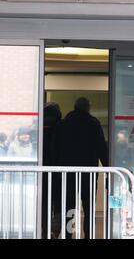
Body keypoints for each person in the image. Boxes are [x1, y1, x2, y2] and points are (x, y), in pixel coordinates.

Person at [52, 97, 108, 239]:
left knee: (69, 207)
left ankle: (68, 234)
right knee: (89, 208)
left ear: (74, 107)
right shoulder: (93, 124)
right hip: (88, 175)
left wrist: (55, 171)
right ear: (88, 108)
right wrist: (108, 168)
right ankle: (88, 235)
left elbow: (55, 150)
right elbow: (102, 148)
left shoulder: (62, 124)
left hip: (67, 174)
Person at [42, 102, 62, 238]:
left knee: (44, 202)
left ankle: (44, 229)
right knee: (58, 202)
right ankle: (56, 231)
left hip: (41, 173)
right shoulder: (62, 126)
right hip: (59, 172)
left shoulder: (38, 125)